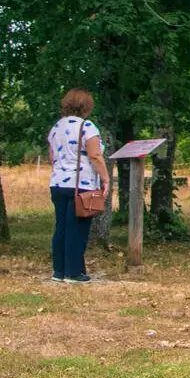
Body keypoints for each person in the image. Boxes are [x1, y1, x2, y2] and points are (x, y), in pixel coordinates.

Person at [48, 88, 109, 283]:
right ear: (86, 106)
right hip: (81, 184)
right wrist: (106, 179)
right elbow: (95, 155)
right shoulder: (87, 127)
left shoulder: (56, 127)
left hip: (58, 183)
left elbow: (52, 157)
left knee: (62, 228)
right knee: (78, 228)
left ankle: (59, 270)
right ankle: (74, 273)